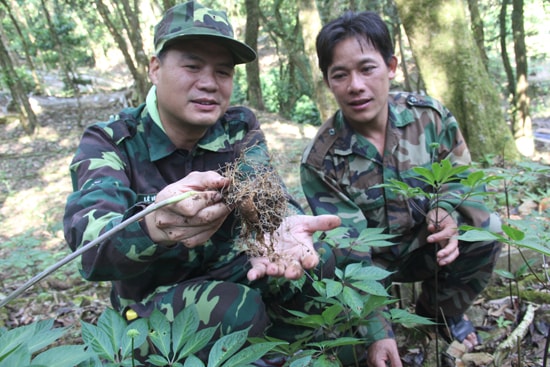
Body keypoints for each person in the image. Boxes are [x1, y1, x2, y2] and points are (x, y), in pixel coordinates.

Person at [63, 1, 340, 362]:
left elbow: (267, 190)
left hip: (231, 270)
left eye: (223, 72)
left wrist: (280, 223)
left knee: (316, 262)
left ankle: (284, 353)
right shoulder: (112, 141)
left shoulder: (238, 128)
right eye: (192, 66)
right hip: (148, 303)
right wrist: (151, 222)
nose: (209, 84)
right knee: (234, 309)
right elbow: (91, 250)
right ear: (155, 68)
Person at [300, 10, 502, 367]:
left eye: (367, 68)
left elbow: (462, 179)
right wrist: (379, 332)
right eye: (340, 75)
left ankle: (440, 311)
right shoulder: (321, 160)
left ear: (391, 66)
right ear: (328, 82)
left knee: (487, 227)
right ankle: (381, 321)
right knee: (339, 330)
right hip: (370, 264)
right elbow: (349, 250)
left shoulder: (430, 118)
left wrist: (447, 210)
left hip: (427, 246)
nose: (355, 86)